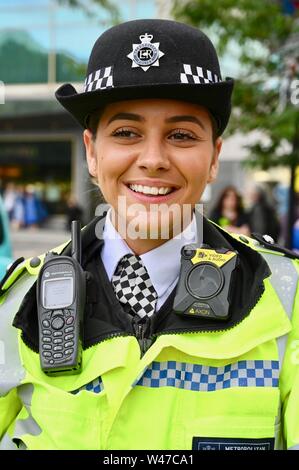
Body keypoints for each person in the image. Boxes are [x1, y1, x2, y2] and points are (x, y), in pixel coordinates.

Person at [0, 19, 298, 451]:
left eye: (181, 135)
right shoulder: (16, 306)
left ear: (214, 157)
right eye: (126, 133)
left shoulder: (286, 296)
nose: (153, 159)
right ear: (91, 152)